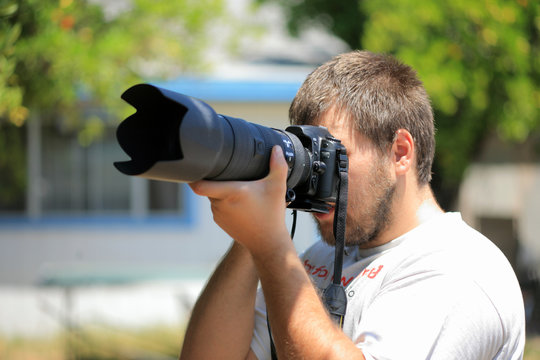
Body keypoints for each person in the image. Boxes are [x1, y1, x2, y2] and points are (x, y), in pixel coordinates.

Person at [179, 51, 525, 359]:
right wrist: (250, 240)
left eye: (332, 155)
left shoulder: (457, 269)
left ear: (400, 152)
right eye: (310, 155)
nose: (317, 177)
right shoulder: (320, 258)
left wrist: (270, 247)